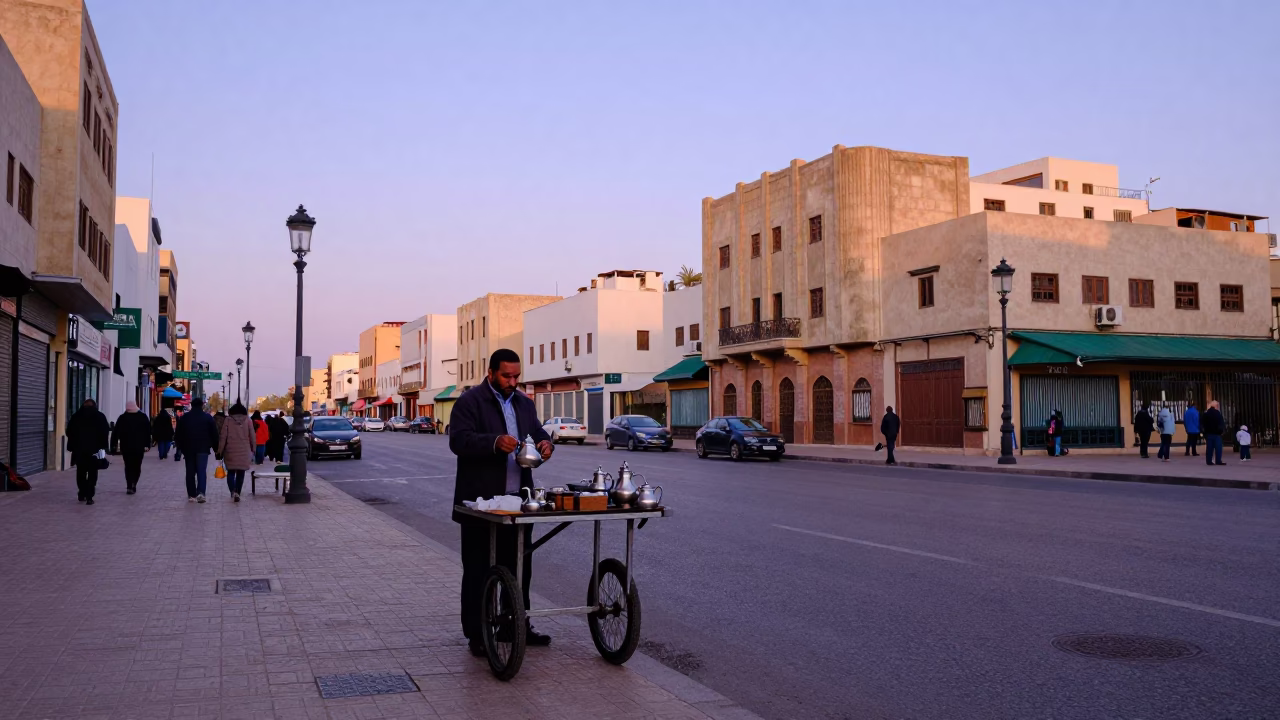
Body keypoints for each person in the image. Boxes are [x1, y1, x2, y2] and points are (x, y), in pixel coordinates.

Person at [449, 349, 553, 658]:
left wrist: (546, 443)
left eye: (516, 376)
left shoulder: (524, 403)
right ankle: (478, 633)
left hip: (519, 502)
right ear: (491, 372)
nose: (512, 381)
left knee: (519, 568)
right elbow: (459, 441)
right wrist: (494, 442)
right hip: (480, 504)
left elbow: (536, 432)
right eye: (506, 376)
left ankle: (515, 625)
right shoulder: (469, 402)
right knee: (479, 571)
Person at [174, 397, 219, 502]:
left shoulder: (185, 417)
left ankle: (191, 494)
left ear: (192, 405)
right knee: (201, 471)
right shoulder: (207, 418)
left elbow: (178, 434)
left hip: (188, 449)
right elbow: (214, 434)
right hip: (203, 449)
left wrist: (180, 447)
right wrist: (216, 448)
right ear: (202, 406)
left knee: (190, 472)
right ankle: (201, 493)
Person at [66, 398, 109, 504]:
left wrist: (72, 446)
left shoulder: (76, 416)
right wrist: (103, 448)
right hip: (95, 451)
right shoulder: (100, 416)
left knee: (81, 471)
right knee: (92, 472)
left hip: (79, 450)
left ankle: (82, 492)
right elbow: (104, 433)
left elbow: (69, 432)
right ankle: (90, 496)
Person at [110, 401, 152, 494]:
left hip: (126, 446)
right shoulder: (143, 417)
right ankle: (134, 484)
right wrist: (147, 444)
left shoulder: (122, 418)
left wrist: (113, 444)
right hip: (139, 447)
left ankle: (129, 485)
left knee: (128, 466)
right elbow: (147, 432)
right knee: (137, 466)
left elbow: (115, 432)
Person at [218, 403, 257, 502]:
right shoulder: (248, 420)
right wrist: (254, 449)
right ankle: (238, 492)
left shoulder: (228, 420)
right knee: (241, 472)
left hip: (230, 450)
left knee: (231, 472)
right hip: (244, 450)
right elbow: (252, 436)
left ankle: (233, 491)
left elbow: (223, 436)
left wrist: (220, 450)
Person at [1201, 400, 1226, 466]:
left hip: (1208, 433)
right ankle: (1218, 460)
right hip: (1217, 434)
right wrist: (1221, 431)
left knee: (1209, 448)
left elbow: (1202, 423)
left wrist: (1204, 432)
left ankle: (1209, 461)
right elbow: (1221, 423)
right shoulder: (1217, 413)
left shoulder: (1206, 413)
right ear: (1216, 406)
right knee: (1218, 448)